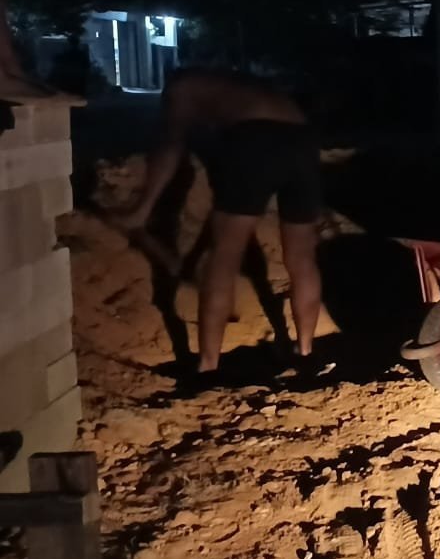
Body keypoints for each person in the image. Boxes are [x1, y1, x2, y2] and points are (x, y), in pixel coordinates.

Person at [113, 68, 323, 375]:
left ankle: (208, 365)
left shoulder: (181, 87)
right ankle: (305, 352)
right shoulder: (234, 85)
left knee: (224, 258)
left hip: (257, 140)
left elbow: (169, 147)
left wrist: (141, 209)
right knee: (302, 257)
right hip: (303, 140)